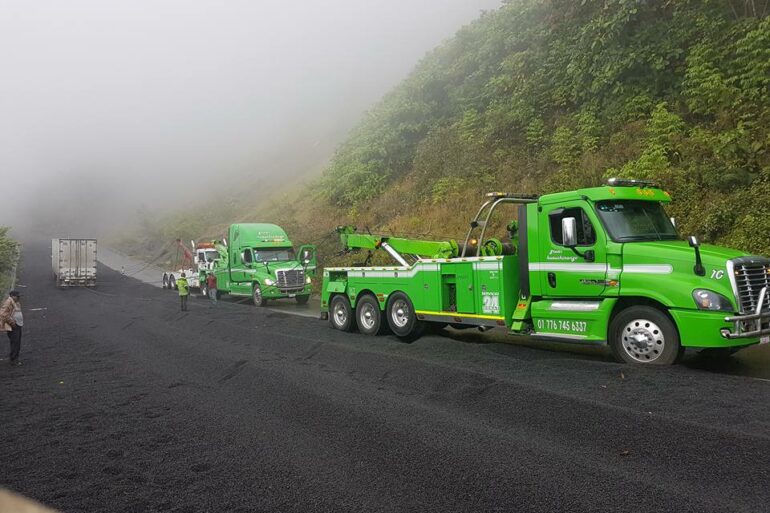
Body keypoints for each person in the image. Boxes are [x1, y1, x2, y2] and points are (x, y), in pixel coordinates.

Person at [1, 290, 24, 366]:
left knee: (16, 342)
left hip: (17, 325)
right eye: (17, 296)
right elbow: (3, 314)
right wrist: (12, 323)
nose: (19, 298)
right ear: (12, 296)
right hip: (14, 326)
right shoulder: (8, 302)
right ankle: (14, 359)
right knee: (15, 343)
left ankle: (14, 358)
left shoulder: (15, 302)